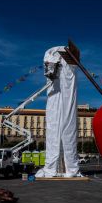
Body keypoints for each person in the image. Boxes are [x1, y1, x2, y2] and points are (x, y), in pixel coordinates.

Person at [35, 46, 81, 178]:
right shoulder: (51, 57)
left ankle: (68, 168)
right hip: (54, 93)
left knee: (67, 129)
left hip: (67, 85)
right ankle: (56, 168)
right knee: (54, 128)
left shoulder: (70, 68)